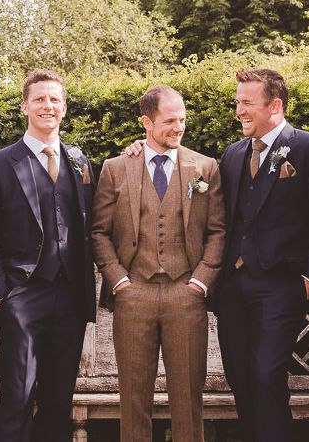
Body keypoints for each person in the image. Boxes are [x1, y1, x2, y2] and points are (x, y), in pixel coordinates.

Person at [216, 69, 309, 442]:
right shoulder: (233, 154)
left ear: (275, 105)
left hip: (282, 285)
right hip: (235, 287)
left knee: (266, 375)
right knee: (240, 376)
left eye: (247, 103)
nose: (240, 110)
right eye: (238, 102)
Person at [92, 85, 225, 442]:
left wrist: (200, 282)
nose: (178, 127)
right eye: (169, 121)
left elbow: (218, 231)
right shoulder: (116, 168)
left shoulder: (205, 167)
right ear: (146, 123)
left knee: (189, 398)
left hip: (186, 294)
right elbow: (99, 232)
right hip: (134, 295)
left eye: (182, 119)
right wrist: (119, 280)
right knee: (133, 399)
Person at [0, 69, 96, 442]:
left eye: (55, 99)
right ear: (25, 105)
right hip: (21, 295)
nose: (48, 105)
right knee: (17, 395)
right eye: (40, 99)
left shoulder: (80, 161)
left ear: (64, 108)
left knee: (59, 397)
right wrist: (0, 295)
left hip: (70, 296)